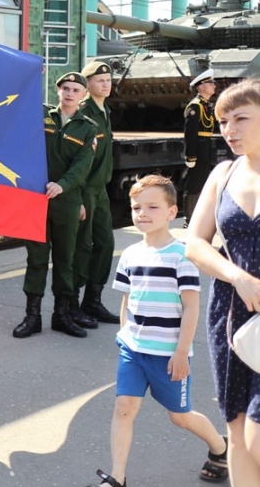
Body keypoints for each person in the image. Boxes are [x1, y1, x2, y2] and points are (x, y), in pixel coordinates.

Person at [87, 175, 227, 487]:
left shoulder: (182, 255)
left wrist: (181, 353)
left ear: (172, 211)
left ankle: (220, 447)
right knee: (124, 407)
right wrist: (126, 338)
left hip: (168, 355)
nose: (143, 213)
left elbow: (190, 307)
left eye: (152, 206)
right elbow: (128, 300)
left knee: (179, 417)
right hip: (133, 351)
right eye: (137, 207)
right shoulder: (130, 254)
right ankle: (117, 477)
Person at [186, 77, 260, 485]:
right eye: (223, 120)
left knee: (257, 435)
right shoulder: (222, 173)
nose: (229, 129)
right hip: (229, 314)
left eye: (241, 119)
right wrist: (238, 277)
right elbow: (195, 244)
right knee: (234, 426)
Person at [13, 72, 96, 339]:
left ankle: (62, 315)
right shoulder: (40, 116)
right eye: (66, 88)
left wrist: (64, 184)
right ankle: (32, 317)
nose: (70, 94)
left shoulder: (87, 127)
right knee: (36, 258)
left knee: (65, 259)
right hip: (36, 199)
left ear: (83, 96)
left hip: (66, 200)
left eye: (76, 90)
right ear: (58, 90)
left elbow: (83, 165)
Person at [72, 61, 119, 327]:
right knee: (82, 247)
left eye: (109, 80)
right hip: (85, 189)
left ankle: (93, 300)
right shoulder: (84, 112)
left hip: (100, 189)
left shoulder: (104, 111)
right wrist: (77, 196)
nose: (106, 84)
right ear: (87, 84)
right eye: (100, 80)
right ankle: (73, 304)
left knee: (105, 244)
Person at [184, 68, 217, 225]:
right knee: (194, 184)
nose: (214, 86)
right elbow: (190, 133)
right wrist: (190, 155)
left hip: (206, 146)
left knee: (203, 182)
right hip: (198, 147)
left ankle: (199, 215)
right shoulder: (195, 106)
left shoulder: (206, 105)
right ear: (201, 87)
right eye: (211, 84)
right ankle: (189, 218)